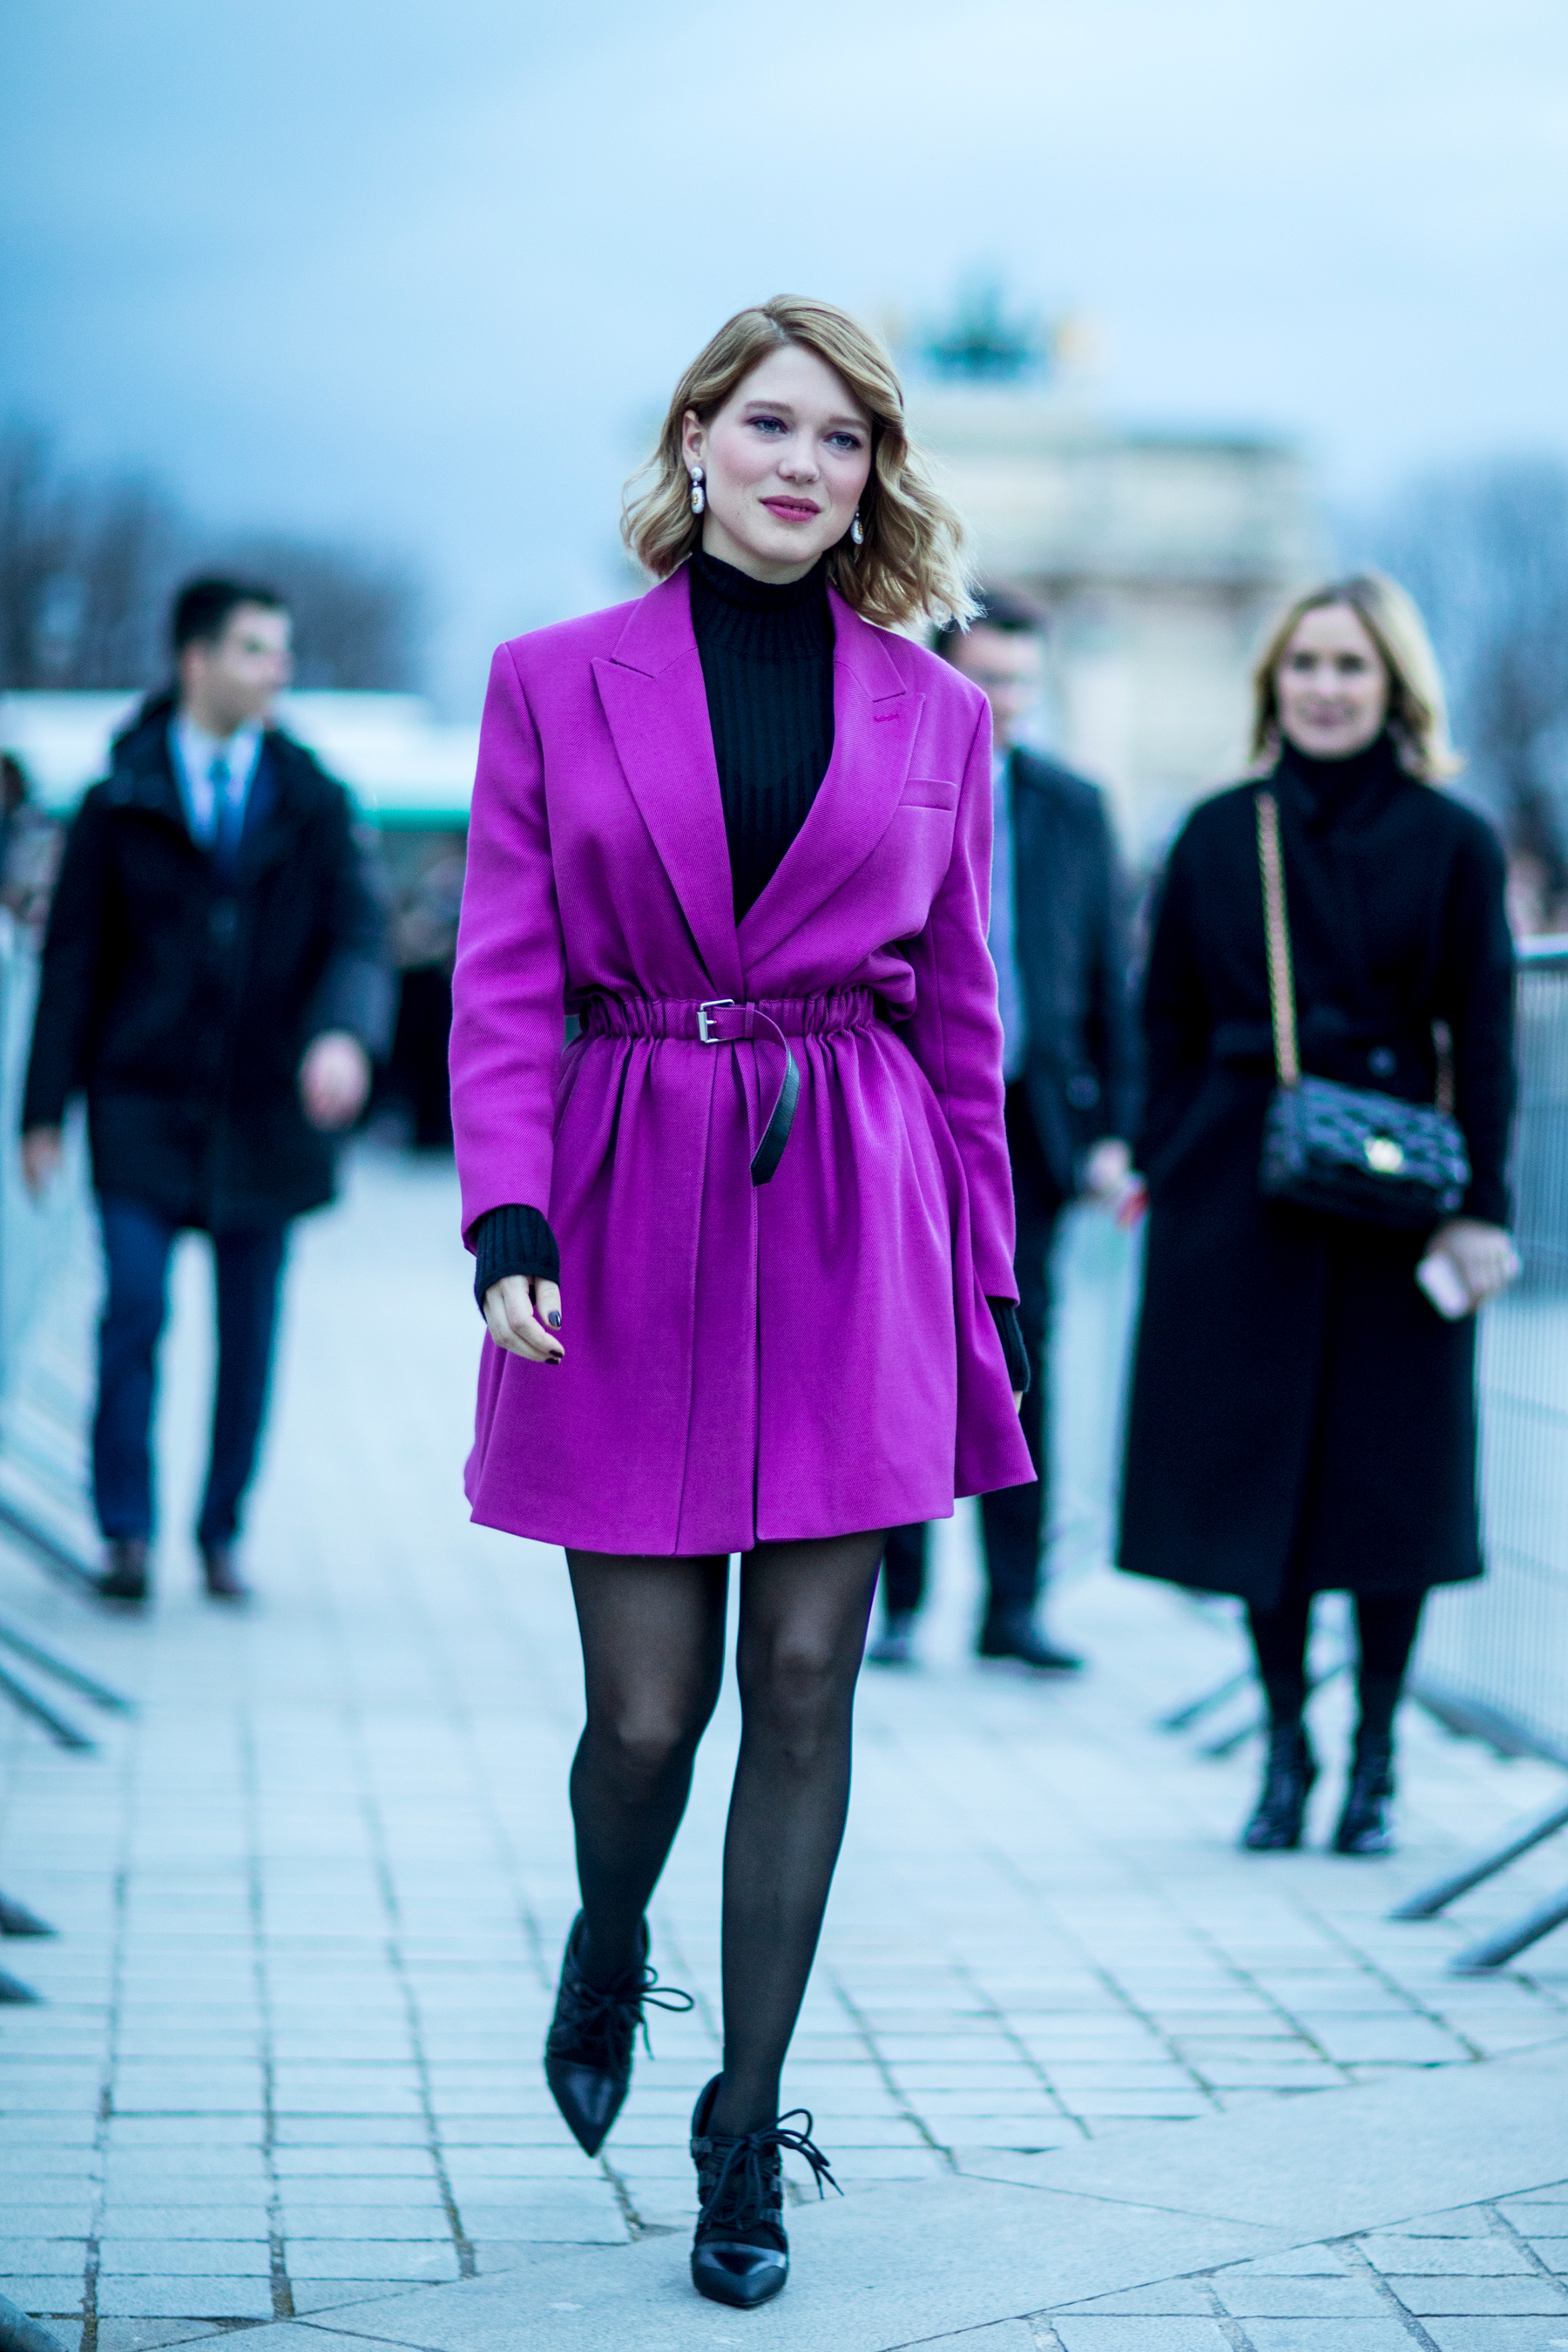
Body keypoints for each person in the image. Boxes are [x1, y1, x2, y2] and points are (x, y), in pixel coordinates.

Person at [448, 296, 1031, 2310]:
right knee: (645, 1713)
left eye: (844, 438)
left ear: (875, 478)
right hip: (619, 1197)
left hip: (855, 1202)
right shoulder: (550, 681)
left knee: (803, 1680)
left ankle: (743, 2121)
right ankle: (610, 1935)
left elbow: (963, 1022)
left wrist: (987, 1275)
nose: (804, 464)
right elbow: (504, 969)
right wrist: (504, 1212)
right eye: (772, 424)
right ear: (698, 438)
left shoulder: (938, 713)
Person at [1119, 573, 1517, 1856]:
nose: (1326, 689)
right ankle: (1286, 1747)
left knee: (1392, 1484)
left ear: (1394, 687)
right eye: (1305, 665)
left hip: (1402, 1197)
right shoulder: (1217, 834)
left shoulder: (1454, 841)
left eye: (1351, 666)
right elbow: (1166, 1016)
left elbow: (1486, 1038)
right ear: (1272, 684)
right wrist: (1166, 1153)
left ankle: (1378, 1756)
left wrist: (1482, 1209)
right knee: (1259, 1480)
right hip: (1241, 1188)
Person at [20, 577, 389, 1606]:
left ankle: (221, 1530)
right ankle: (125, 1534)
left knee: (248, 1333)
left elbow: (358, 936)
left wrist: (343, 1036)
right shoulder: (119, 798)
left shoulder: (314, 800)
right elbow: (73, 962)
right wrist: (41, 1112)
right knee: (133, 1308)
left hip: (268, 1112)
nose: (279, 669)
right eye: (256, 649)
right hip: (139, 1103)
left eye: (282, 650)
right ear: (195, 660)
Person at [868, 589, 1138, 1673]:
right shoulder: (892, 778)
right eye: (987, 679)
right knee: (893, 1349)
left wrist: (1113, 1128)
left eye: (1023, 682)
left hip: (1032, 1117)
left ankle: (1014, 1607)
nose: (1006, 702)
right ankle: (898, 1600)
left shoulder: (1074, 807)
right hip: (904, 1103)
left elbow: (1108, 974)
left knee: (1027, 1348)